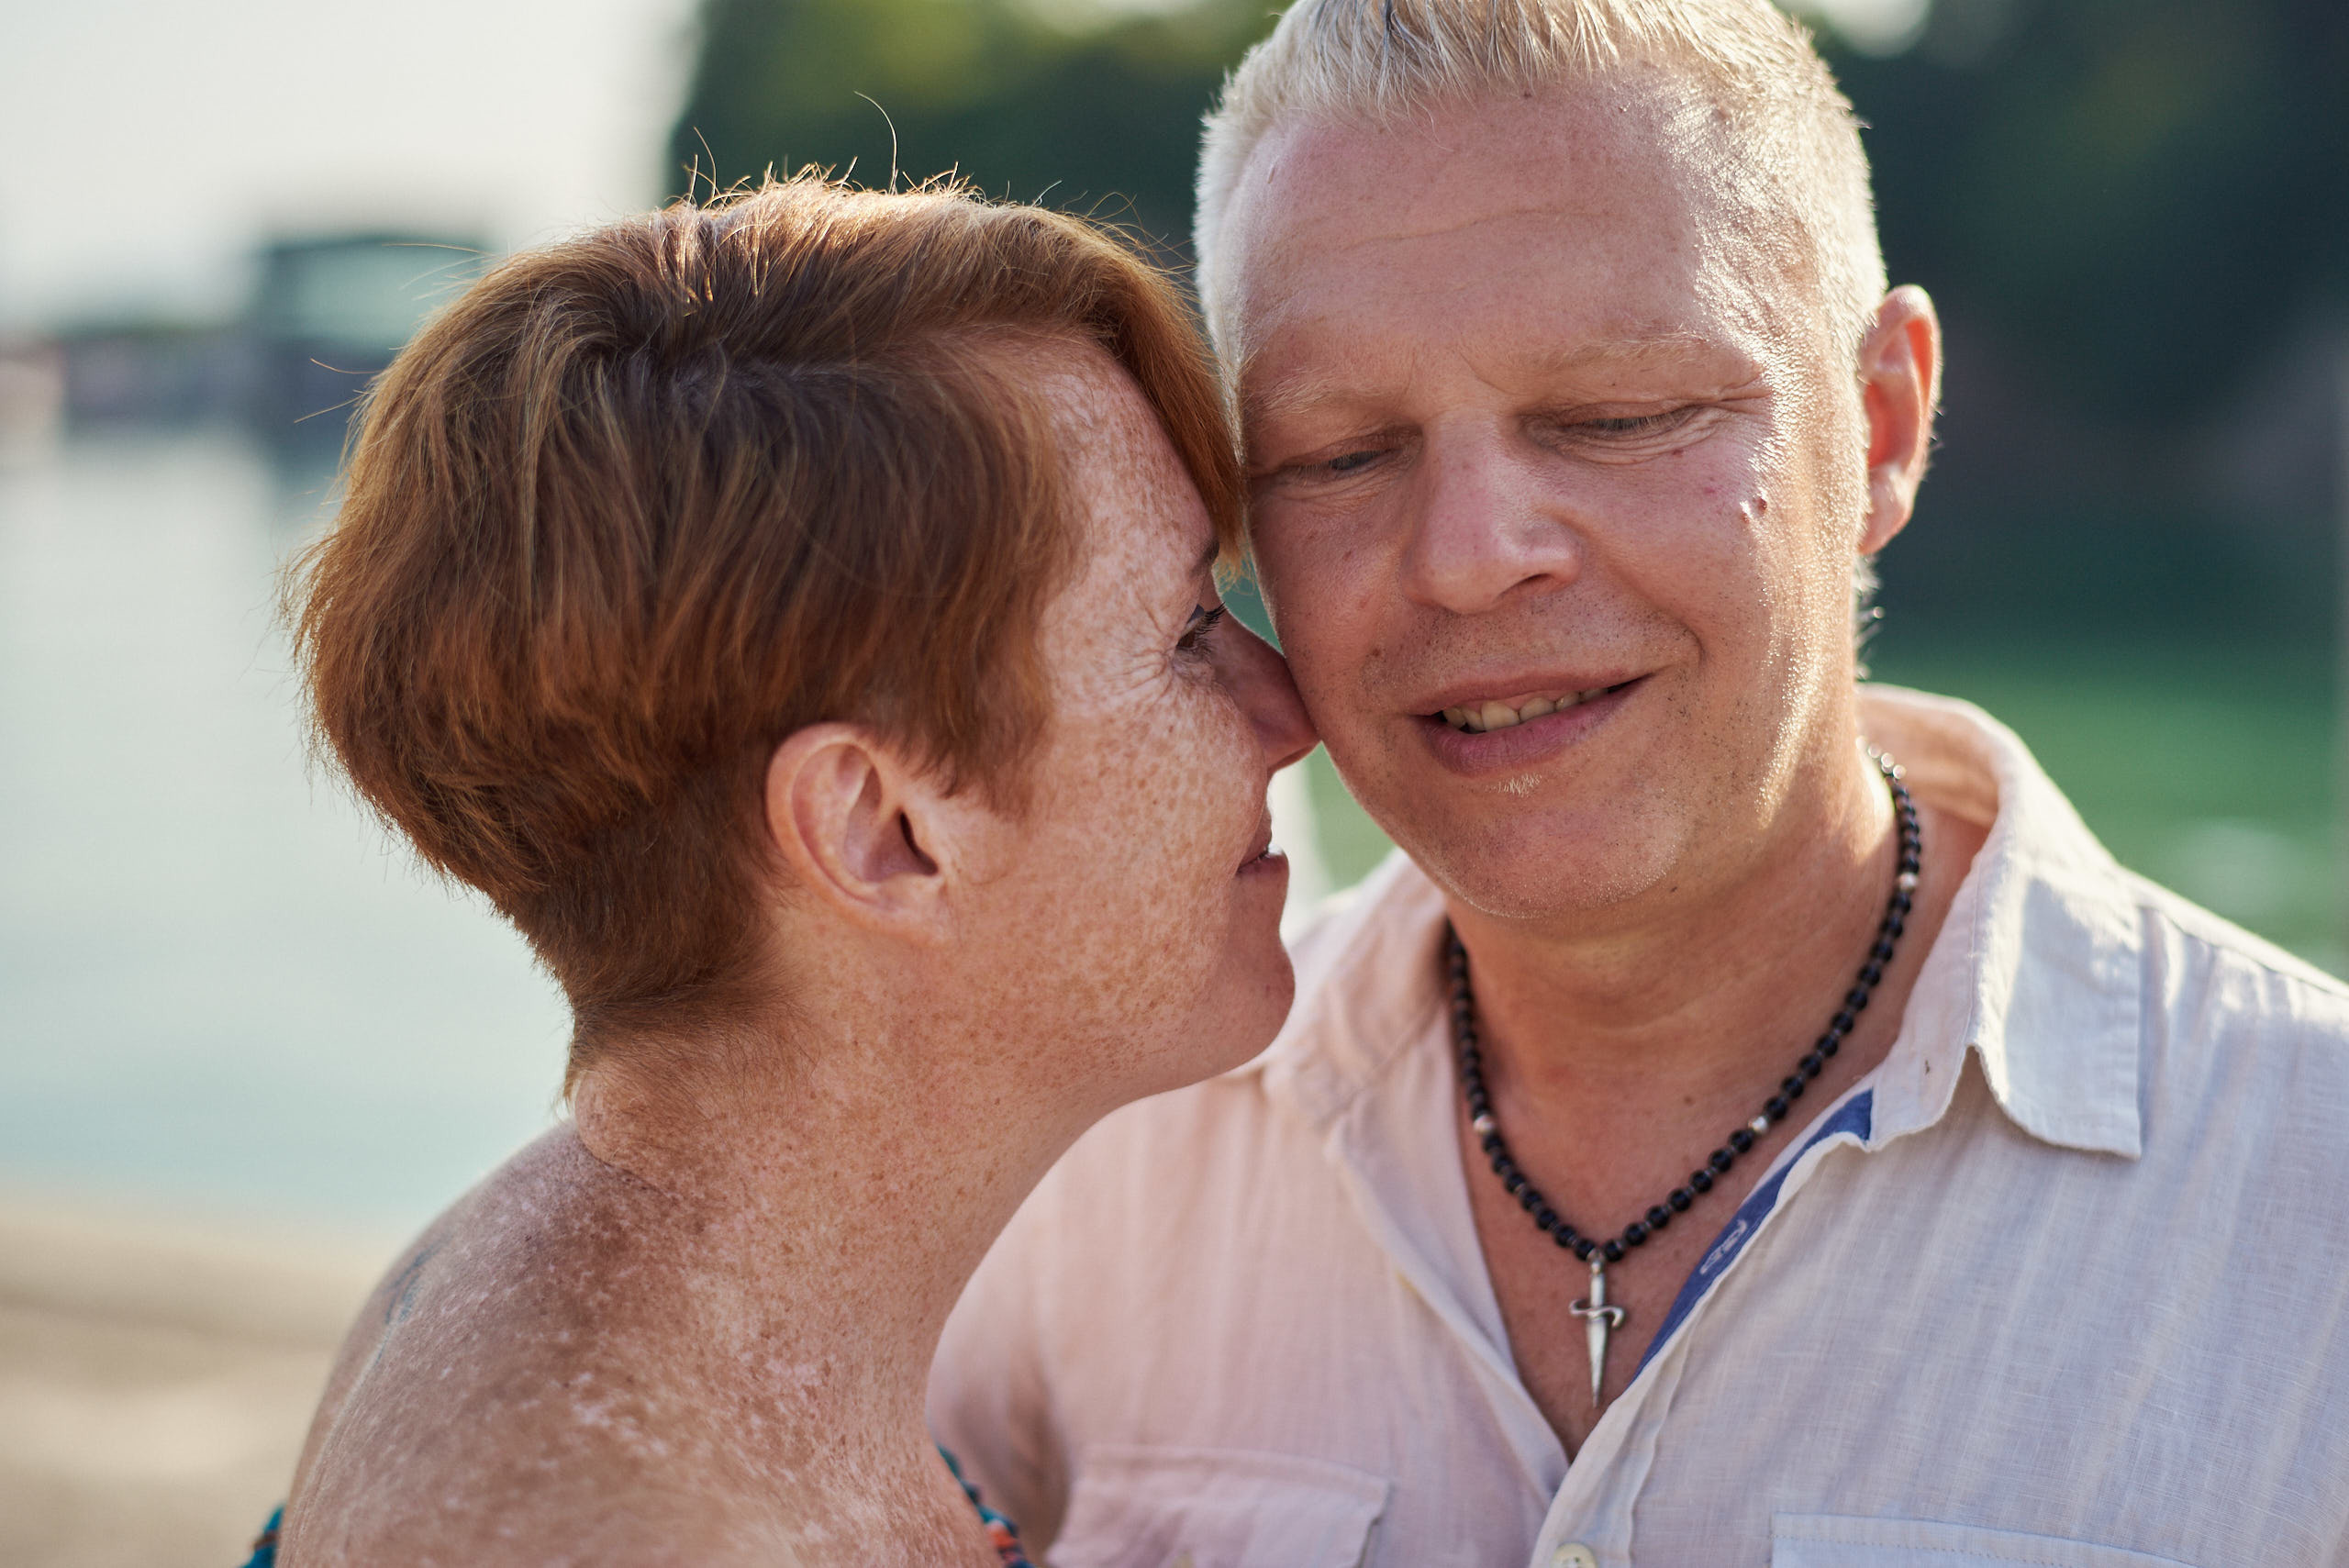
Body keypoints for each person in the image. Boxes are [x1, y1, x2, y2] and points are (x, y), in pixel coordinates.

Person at [928, 2, 2349, 1562]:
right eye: (1339, 453)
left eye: (1619, 418)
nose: (1471, 557)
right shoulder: (1082, 1170)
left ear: (1879, 425)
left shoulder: (2311, 1199)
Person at [264, 174, 1313, 1565]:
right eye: (1188, 632)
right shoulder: (608, 1530)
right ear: (881, 830)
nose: (1288, 709)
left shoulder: (559, 1290)